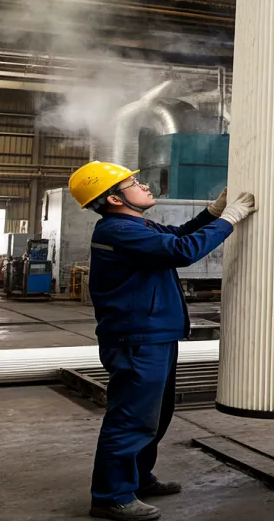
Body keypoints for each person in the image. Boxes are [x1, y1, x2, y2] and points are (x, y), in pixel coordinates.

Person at [68, 161, 256, 521]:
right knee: (132, 417)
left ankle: (137, 478)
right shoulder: (118, 230)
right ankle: (111, 496)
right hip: (137, 338)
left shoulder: (134, 225)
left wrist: (212, 212)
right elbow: (182, 251)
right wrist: (229, 219)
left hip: (154, 335)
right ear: (112, 198)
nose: (145, 185)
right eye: (133, 182)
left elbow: (177, 236)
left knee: (156, 414)